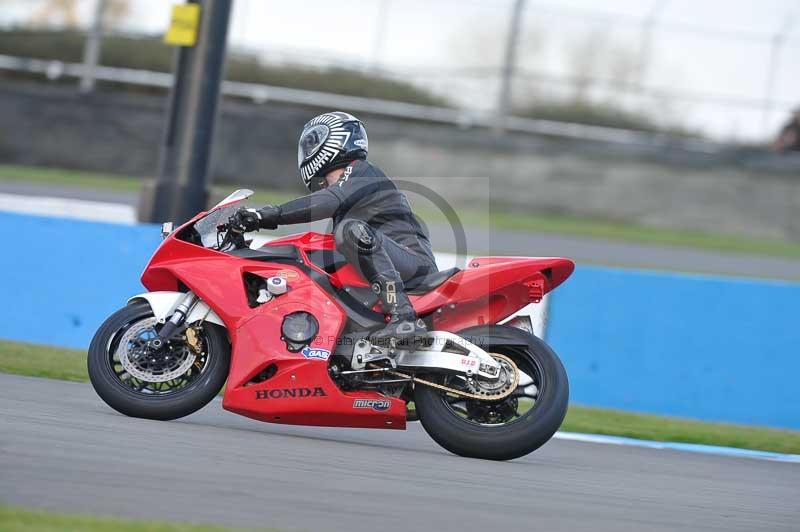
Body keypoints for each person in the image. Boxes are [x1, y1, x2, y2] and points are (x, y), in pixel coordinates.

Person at [231, 111, 437, 346]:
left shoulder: (360, 170)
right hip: (399, 262)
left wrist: (264, 215)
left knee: (349, 231)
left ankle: (404, 318)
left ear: (337, 140)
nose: (307, 151)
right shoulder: (347, 198)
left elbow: (327, 201)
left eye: (312, 143)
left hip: (414, 265)